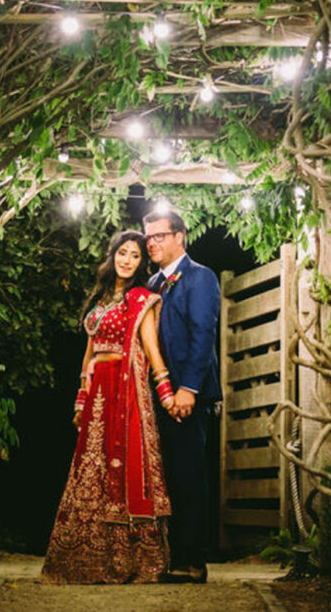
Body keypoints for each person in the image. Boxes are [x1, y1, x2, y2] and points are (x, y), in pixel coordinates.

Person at [40, 231, 177, 584]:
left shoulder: (141, 299)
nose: (127, 260)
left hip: (124, 390)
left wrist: (165, 393)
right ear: (112, 255)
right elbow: (89, 354)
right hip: (97, 390)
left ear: (140, 263)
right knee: (90, 469)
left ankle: (128, 559)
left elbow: (150, 349)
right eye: (122, 253)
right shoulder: (100, 299)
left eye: (134, 255)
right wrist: (81, 398)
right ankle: (85, 559)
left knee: (121, 468)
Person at [142, 208, 221, 583]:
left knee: (189, 474)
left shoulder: (200, 278)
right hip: (158, 394)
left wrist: (188, 389)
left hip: (188, 393)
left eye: (160, 236)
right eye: (149, 238)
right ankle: (169, 556)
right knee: (167, 475)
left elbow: (204, 335)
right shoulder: (153, 284)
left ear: (180, 237)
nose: (152, 243)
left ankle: (194, 561)